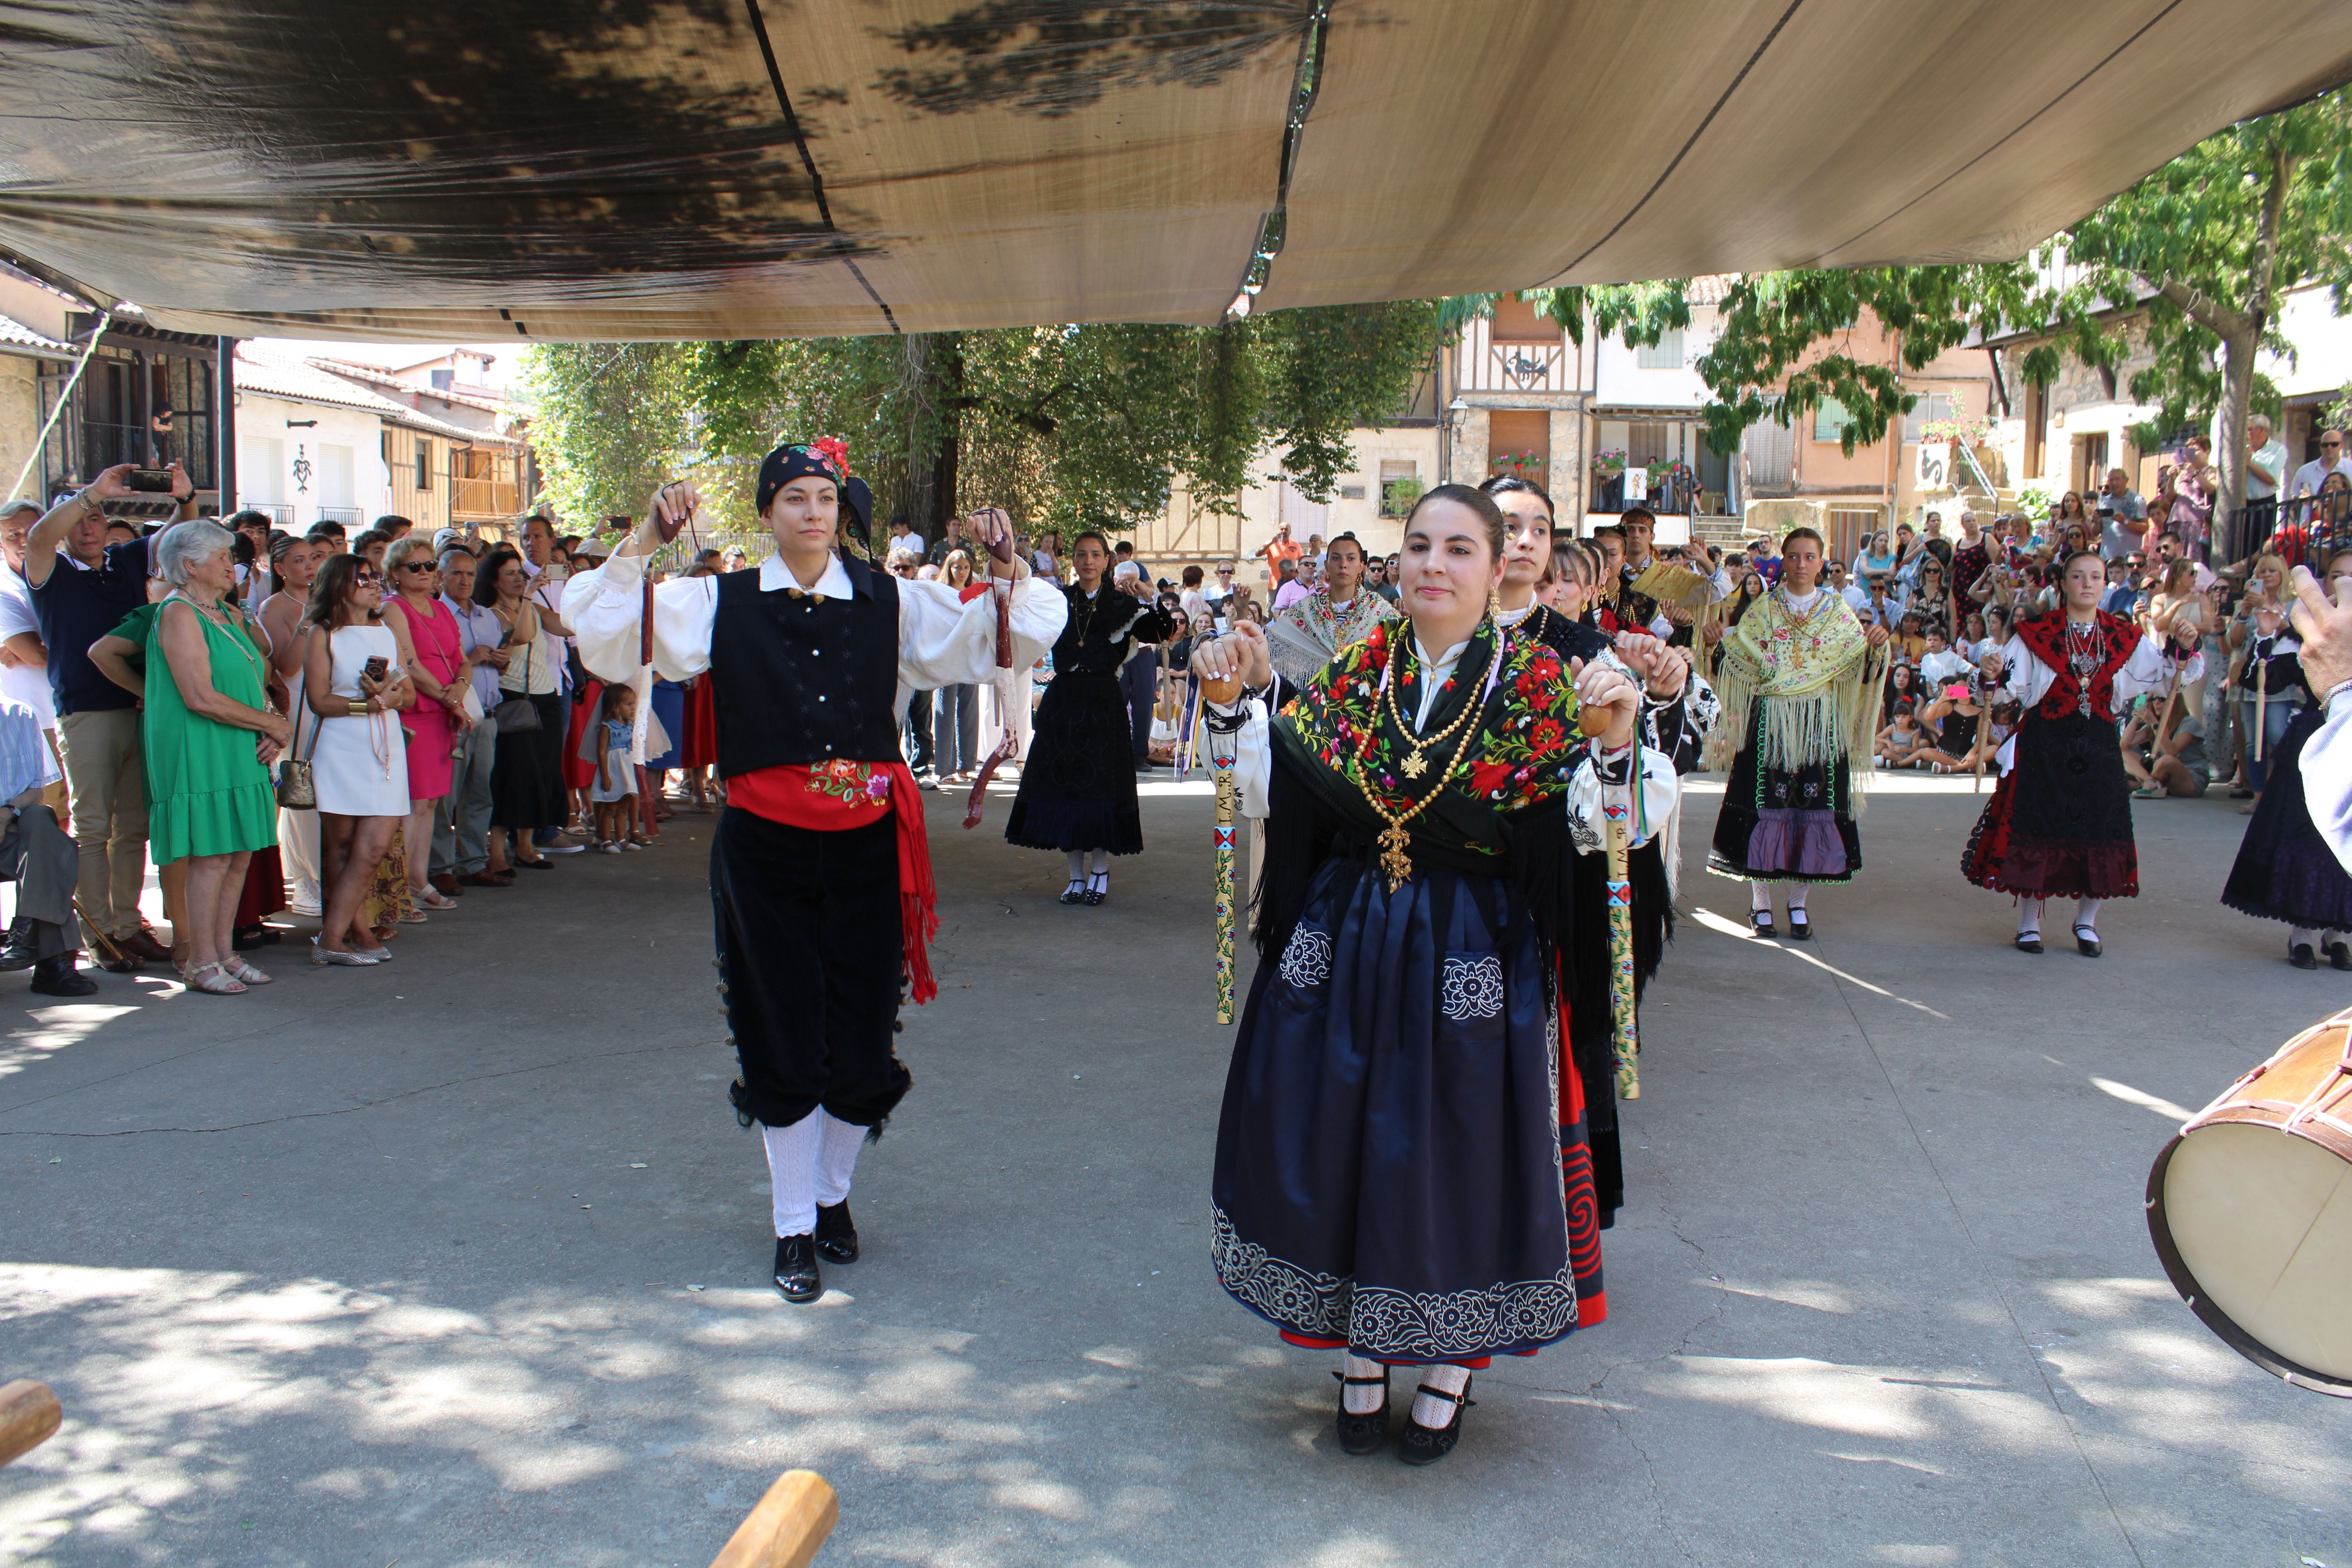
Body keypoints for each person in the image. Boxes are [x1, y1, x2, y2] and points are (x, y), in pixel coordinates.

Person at [1188, 483, 1671, 1468]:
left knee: (1457, 1148)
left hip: (1473, 953)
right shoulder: (1353, 674)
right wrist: (1232, 705)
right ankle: (1361, 1351)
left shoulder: (1543, 686)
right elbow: (1266, 785)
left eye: (1459, 549)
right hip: (1348, 942)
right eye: (1417, 546)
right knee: (1335, 1136)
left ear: (1501, 570)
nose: (1432, 566)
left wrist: (1618, 739)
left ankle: (1450, 1361)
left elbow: (1611, 825)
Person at [563, 444, 1064, 1304]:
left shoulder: (892, 598)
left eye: (824, 496)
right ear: (767, 512)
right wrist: (644, 540)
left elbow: (1005, 635)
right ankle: (794, 1221)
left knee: (865, 1029)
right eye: (793, 497)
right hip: (764, 843)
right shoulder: (719, 599)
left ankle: (834, 1199)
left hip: (869, 840)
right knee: (781, 1024)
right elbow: (609, 636)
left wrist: (1007, 561)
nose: (812, 511)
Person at [1962, 551, 2201, 955]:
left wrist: (2183, 647)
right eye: (2078, 576)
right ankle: (2029, 923)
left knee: (2100, 831)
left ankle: (2087, 922)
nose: (2087, 583)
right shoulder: (2035, 633)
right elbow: (2006, 685)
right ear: (2063, 583)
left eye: (2096, 576)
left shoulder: (2123, 636)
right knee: (2038, 829)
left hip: (2098, 745)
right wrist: (1988, 673)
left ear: (2105, 583)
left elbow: (2165, 675)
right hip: (2045, 744)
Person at [23, 465, 187, 971]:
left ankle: (124, 927)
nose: (88, 527)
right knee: (93, 828)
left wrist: (184, 498)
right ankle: (97, 937)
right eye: (79, 519)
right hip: (86, 714)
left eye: (96, 517)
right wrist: (92, 491)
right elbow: (38, 536)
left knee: (133, 828)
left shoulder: (124, 561)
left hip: (138, 708)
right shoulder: (50, 571)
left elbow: (181, 541)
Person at [1702, 528, 1891, 938]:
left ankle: (1799, 902)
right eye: (1794, 556)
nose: (1802, 564)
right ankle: (1761, 903)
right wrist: (1714, 642)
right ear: (1782, 560)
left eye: (1810, 557)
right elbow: (1735, 659)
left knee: (1814, 811)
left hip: (1820, 726)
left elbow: (1860, 666)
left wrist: (1877, 646)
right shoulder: (1762, 611)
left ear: (1822, 563)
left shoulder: (1839, 612)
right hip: (1769, 721)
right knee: (1761, 810)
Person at [132, 523, 287, 993]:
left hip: (237, 740)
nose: (231, 563)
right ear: (190, 565)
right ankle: (200, 962)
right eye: (221, 555)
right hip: (200, 743)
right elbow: (199, 696)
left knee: (239, 852)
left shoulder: (223, 611)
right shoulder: (178, 612)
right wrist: (270, 724)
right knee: (213, 856)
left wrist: (272, 723)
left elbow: (252, 680)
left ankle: (224, 952)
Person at [1006, 530, 1173, 904]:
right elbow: (1020, 614)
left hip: (1102, 702)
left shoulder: (1121, 603)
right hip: (1063, 701)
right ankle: (1076, 876)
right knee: (1066, 788)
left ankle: (1100, 870)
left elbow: (1163, 631)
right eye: (1081, 555)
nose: (1088, 561)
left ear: (1107, 560)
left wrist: (1150, 595)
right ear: (1074, 561)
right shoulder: (1056, 600)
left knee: (1101, 788)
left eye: (1096, 555)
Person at [303, 553, 413, 964]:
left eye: (375, 577)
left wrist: (391, 696)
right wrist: (369, 706)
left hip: (384, 746)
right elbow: (319, 700)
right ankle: (347, 932)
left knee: (374, 848)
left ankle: (338, 934)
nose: (373, 584)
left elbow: (407, 694)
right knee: (342, 844)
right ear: (340, 585)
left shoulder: (385, 630)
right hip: (342, 746)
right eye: (363, 578)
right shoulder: (324, 633)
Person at [379, 537, 470, 910]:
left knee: (431, 802)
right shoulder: (393, 608)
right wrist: (449, 698)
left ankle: (419, 879)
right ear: (396, 573)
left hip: (446, 710)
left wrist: (460, 689)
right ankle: (401, 885)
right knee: (414, 802)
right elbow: (409, 663)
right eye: (414, 566)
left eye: (429, 565)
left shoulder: (441, 608)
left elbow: (461, 659)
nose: (424, 572)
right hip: (417, 711)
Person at [479, 544, 562, 873]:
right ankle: (497, 852)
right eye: (510, 574)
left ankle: (526, 847)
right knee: (512, 777)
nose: (518, 578)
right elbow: (524, 635)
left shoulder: (536, 605)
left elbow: (566, 626)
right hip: (513, 700)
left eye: (520, 572)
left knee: (541, 774)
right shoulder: (491, 614)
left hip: (545, 698)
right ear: (495, 581)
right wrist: (528, 597)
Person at [432, 547, 506, 891]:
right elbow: (436, 665)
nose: (464, 580)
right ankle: (439, 867)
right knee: (446, 797)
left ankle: (473, 863)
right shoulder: (435, 615)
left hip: (489, 716)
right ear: (441, 577)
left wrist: (500, 661)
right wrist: (473, 660)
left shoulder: (487, 616)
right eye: (457, 573)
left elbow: (499, 661)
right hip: (454, 716)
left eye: (470, 574)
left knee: (480, 794)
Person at [1263, 531, 1398, 696]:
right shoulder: (1307, 609)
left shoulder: (1379, 610)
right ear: (1326, 565)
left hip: (1366, 705)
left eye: (1351, 559)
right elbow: (1274, 640)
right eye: (1336, 558)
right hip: (1317, 703)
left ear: (1362, 566)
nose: (1343, 565)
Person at [588, 682, 641, 851]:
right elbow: (602, 752)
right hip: (614, 769)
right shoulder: (607, 727)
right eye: (628, 704)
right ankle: (605, 841)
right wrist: (605, 776)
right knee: (610, 807)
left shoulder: (630, 726)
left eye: (634, 703)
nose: (633, 708)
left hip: (626, 768)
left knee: (624, 806)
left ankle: (621, 839)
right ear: (615, 707)